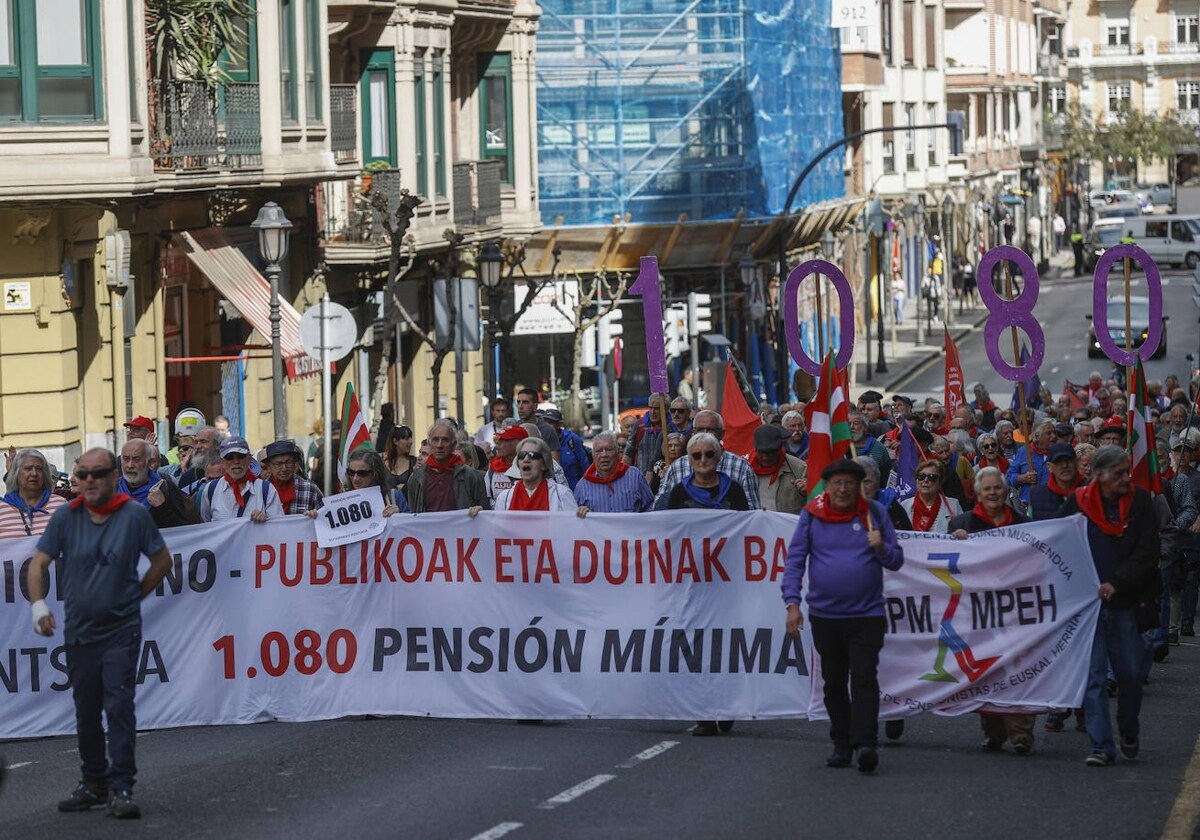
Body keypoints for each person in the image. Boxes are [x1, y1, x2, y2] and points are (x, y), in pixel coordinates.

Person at [27, 447, 173, 819]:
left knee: (118, 705)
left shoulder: (133, 516)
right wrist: (39, 606)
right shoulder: (66, 517)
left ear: (113, 477)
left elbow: (162, 560)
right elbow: (39, 562)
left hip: (121, 630)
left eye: (98, 473)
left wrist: (135, 594)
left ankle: (121, 786)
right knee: (86, 709)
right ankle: (94, 781)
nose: (89, 480)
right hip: (79, 632)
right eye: (83, 473)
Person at [782, 458, 904, 772]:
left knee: (864, 678)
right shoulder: (811, 515)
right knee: (834, 684)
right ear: (827, 486)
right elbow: (795, 560)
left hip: (867, 614)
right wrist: (792, 604)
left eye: (850, 482)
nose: (843, 488)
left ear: (859, 485)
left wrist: (882, 548)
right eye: (837, 482)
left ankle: (865, 743)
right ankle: (841, 743)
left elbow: (896, 561)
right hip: (826, 616)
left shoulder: (874, 514)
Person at [1056, 446, 1159, 766]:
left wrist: (1118, 582)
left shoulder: (1140, 502)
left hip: (1125, 602)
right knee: (1094, 677)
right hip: (1089, 607)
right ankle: (1101, 745)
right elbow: (1056, 539)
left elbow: (1147, 552)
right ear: (1099, 477)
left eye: (1126, 472)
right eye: (1118, 474)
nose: (1125, 479)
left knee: (1128, 675)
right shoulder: (1078, 503)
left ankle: (1129, 727)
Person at [948, 467, 1036, 754]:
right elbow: (949, 564)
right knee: (988, 671)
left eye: (998, 488)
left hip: (1014, 610)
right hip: (979, 612)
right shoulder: (962, 523)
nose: (993, 493)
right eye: (987, 489)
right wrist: (955, 541)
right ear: (977, 492)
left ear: (1006, 490)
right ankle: (993, 731)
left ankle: (1021, 731)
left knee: (1020, 669)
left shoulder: (1023, 524)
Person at [654, 410, 760, 510]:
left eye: (710, 430)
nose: (703, 460)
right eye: (696, 456)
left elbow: (750, 514)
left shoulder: (741, 468)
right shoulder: (677, 468)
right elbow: (661, 509)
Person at [405, 419, 490, 513]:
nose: (439, 445)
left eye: (445, 440)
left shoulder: (472, 477)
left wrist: (480, 511)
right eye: (435, 440)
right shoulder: (416, 478)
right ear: (430, 444)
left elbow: (486, 515)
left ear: (454, 444)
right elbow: (413, 516)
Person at [118, 439, 199, 528]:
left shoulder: (165, 488)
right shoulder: (110, 491)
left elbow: (182, 531)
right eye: (126, 459)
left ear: (148, 462)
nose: (130, 465)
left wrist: (162, 507)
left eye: (136, 459)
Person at [199, 437, 282, 522]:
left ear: (249, 458)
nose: (236, 461)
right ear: (222, 462)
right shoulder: (210, 490)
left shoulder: (266, 489)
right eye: (229, 457)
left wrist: (266, 520)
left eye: (241, 456)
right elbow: (206, 526)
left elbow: (278, 527)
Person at [308, 449, 407, 519]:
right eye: (351, 472)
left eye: (362, 473)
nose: (355, 479)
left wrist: (400, 517)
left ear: (375, 473)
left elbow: (412, 528)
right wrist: (315, 517)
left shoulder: (394, 497)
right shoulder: (341, 500)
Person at [493, 437, 582, 513]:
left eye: (532, 455)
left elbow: (574, 528)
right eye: (522, 455)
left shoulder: (562, 495)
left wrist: (583, 514)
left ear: (543, 464)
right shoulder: (505, 498)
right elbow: (497, 530)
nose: (526, 459)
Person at [665, 432, 750, 513]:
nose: (703, 460)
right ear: (690, 460)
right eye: (697, 455)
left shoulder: (734, 490)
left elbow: (744, 522)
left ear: (718, 457)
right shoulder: (679, 491)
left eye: (709, 454)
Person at [574, 431, 654, 513]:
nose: (604, 455)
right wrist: (581, 514)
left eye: (609, 450)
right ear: (593, 455)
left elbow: (651, 507)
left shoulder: (635, 477)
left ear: (618, 452)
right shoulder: (582, 487)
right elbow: (574, 519)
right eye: (599, 451)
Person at [0, 448, 68, 537]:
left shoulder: (61, 505)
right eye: (28, 468)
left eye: (39, 469)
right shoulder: (2, 509)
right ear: (16, 474)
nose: (34, 473)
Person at [748, 424, 806, 514]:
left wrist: (807, 492)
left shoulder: (799, 468)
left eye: (771, 453)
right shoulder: (746, 469)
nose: (765, 458)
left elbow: (817, 501)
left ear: (780, 448)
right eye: (762, 453)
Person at [261, 441, 323, 515]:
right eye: (278, 464)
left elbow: (325, 520)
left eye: (289, 462)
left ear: (295, 464)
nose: (284, 469)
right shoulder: (260, 490)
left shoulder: (310, 489)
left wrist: (315, 516)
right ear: (269, 466)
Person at [901, 459, 963, 533]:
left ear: (940, 482)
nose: (926, 480)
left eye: (932, 477)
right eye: (921, 476)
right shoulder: (904, 505)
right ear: (916, 480)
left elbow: (964, 536)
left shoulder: (953, 505)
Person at [1029, 443, 1080, 521]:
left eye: (1068, 460)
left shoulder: (1090, 490)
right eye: (1059, 462)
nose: (1065, 465)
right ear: (1049, 467)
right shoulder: (1037, 495)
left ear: (1076, 462)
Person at [543, 408, 590, 489]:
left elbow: (585, 466)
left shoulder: (572, 440)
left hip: (574, 491)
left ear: (559, 424)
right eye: (544, 422)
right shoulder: (541, 441)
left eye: (550, 422)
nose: (546, 426)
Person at [515, 388, 561, 462]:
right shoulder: (513, 428)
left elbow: (556, 464)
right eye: (518, 402)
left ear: (535, 406)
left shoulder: (547, 430)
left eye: (525, 402)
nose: (520, 406)